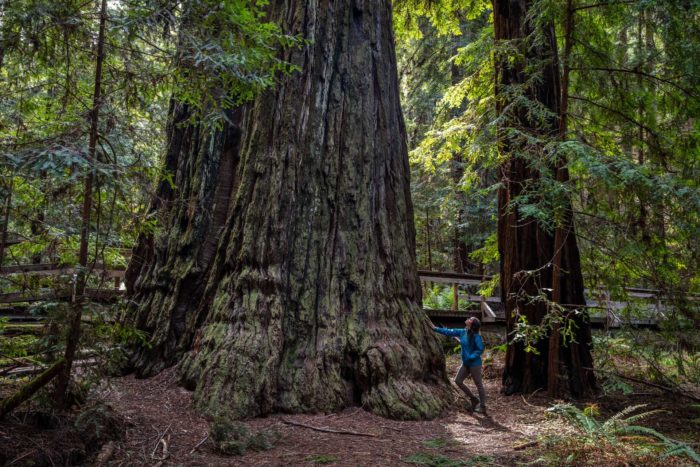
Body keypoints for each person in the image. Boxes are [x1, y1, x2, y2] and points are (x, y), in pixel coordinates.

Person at [433, 317, 487, 413]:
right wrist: (436, 329)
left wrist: (471, 357)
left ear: (472, 324)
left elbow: (480, 349)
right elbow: (449, 331)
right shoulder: (462, 332)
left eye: (470, 319)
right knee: (458, 381)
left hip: (475, 364)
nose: (468, 319)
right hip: (466, 364)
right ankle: (473, 398)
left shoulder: (476, 336)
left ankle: (483, 406)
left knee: (479, 385)